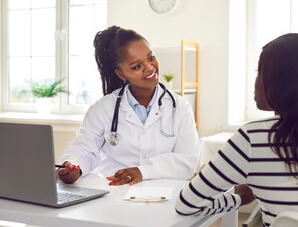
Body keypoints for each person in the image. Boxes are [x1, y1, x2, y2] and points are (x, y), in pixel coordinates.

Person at [175, 33, 298, 226]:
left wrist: (240, 197)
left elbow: (187, 204)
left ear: (282, 83)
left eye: (260, 72)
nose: (256, 82)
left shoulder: (252, 140)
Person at [57, 26, 200, 186]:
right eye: (136, 66)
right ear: (121, 74)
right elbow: (84, 149)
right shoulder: (103, 109)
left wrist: (142, 171)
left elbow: (187, 162)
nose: (149, 67)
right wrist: (73, 166)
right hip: (114, 194)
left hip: (163, 195)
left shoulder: (180, 107)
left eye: (150, 57)